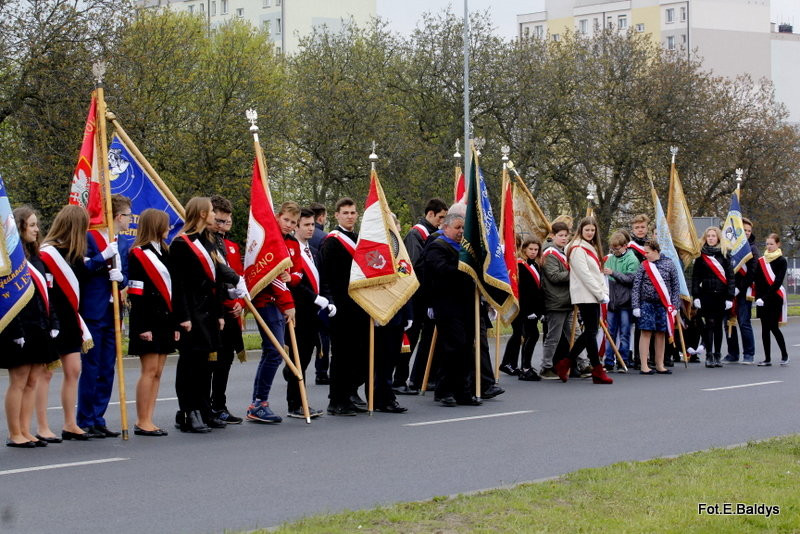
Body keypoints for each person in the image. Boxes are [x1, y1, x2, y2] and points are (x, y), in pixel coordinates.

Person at [171, 197, 241, 433]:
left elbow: (216, 279)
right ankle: (188, 412)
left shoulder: (207, 241)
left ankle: (203, 409)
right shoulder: (181, 244)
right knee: (189, 364)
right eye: (211, 212)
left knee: (205, 365)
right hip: (191, 313)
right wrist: (183, 317)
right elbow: (178, 285)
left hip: (209, 312)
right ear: (201, 214)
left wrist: (221, 312)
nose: (215, 216)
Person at [2, 207, 59, 447]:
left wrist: (53, 322)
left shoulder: (37, 257)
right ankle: (14, 433)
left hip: (38, 325)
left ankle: (26, 430)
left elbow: (47, 292)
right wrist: (15, 331)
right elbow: (6, 298)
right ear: (20, 226)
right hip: (19, 326)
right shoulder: (10, 260)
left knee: (33, 380)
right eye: (32, 225)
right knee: (19, 379)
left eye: (37, 225)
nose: (37, 230)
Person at [76, 194, 130, 439]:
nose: (130, 219)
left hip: (113, 311)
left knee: (108, 367)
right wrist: (102, 257)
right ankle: (85, 419)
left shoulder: (122, 241)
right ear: (118, 216)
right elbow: (81, 268)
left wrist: (122, 278)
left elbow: (124, 275)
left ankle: (98, 417)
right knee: (91, 366)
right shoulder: (90, 237)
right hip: (94, 310)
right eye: (128, 215)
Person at [39, 205, 94, 441]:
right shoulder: (46, 254)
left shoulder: (76, 255)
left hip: (71, 319)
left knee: (74, 370)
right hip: (51, 320)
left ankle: (70, 424)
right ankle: (42, 426)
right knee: (46, 374)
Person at [246, 202, 300, 424]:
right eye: (286, 220)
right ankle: (259, 402)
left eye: (293, 223)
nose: (289, 225)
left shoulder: (292, 243)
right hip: (266, 301)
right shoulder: (270, 239)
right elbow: (273, 275)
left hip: (279, 302)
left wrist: (292, 279)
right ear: (278, 217)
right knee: (276, 351)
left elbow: (297, 272)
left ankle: (257, 402)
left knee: (272, 352)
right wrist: (288, 303)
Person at [127, 209, 178, 436]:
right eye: (165, 225)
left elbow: (173, 291)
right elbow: (136, 294)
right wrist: (140, 327)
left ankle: (150, 416)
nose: (168, 229)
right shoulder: (138, 254)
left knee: (158, 371)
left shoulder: (165, 252)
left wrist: (176, 324)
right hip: (148, 320)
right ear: (156, 226)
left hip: (166, 319)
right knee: (148, 370)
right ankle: (142, 419)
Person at [422, 213, 480, 406]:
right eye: (457, 228)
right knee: (453, 347)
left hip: (466, 304)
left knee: (466, 347)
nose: (461, 231)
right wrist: (463, 267)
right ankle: (444, 390)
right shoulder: (437, 247)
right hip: (447, 304)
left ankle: (463, 391)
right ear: (445, 228)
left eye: (463, 228)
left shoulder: (465, 249)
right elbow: (441, 271)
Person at [320, 198, 369, 416]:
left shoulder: (358, 240)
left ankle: (350, 393)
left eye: (353, 212)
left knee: (357, 353)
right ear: (337, 215)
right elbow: (327, 276)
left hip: (358, 305)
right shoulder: (332, 242)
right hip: (340, 306)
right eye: (345, 212)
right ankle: (336, 400)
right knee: (341, 355)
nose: (350, 216)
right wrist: (331, 302)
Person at [395, 197, 448, 394]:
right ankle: (399, 379)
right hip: (416, 295)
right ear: (430, 214)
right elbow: (412, 267)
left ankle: (421, 377)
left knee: (428, 339)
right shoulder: (416, 234)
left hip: (430, 295)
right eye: (441, 217)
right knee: (410, 339)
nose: (442, 221)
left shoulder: (436, 234)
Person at [282, 206, 328, 418]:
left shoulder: (313, 251)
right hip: (298, 311)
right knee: (298, 358)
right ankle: (296, 404)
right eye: (306, 225)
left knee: (307, 357)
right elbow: (292, 283)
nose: (311, 229)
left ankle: (300, 399)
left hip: (313, 312)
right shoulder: (290, 250)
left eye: (312, 225)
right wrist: (313, 298)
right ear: (296, 227)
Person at [554, 216, 613, 384]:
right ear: (581, 230)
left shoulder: (589, 247)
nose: (590, 233)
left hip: (592, 294)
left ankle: (575, 365)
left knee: (591, 332)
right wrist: (600, 293)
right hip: (585, 294)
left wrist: (602, 291)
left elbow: (596, 273)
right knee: (591, 332)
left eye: (592, 230)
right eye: (587, 230)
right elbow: (584, 275)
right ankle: (589, 367)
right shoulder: (578, 248)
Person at [208, 195, 244, 425]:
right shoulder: (206, 245)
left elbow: (239, 278)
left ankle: (219, 404)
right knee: (211, 362)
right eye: (219, 221)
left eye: (227, 222)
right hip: (214, 311)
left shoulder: (231, 246)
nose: (222, 226)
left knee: (226, 362)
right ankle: (205, 406)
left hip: (233, 311)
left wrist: (241, 302)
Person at [631, 240, 681, 374]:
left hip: (663, 305)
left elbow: (676, 287)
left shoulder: (669, 264)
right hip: (646, 303)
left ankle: (660, 364)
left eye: (647, 252)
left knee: (660, 333)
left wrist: (675, 306)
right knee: (646, 332)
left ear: (655, 251)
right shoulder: (644, 265)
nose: (645, 255)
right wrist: (636, 306)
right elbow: (636, 286)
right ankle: (644, 365)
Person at [500, 238, 544, 381]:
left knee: (525, 335)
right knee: (529, 335)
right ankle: (524, 367)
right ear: (524, 249)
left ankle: (516, 364)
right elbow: (523, 291)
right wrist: (528, 311)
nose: (533, 252)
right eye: (530, 249)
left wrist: (540, 311)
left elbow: (536, 291)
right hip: (524, 309)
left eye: (536, 249)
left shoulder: (535, 265)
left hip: (532, 309)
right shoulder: (520, 265)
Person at [691, 227, 735, 368]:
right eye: (708, 236)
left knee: (718, 326)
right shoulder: (700, 255)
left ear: (718, 238)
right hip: (706, 294)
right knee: (709, 324)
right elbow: (696, 277)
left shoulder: (725, 254)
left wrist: (730, 297)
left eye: (713, 236)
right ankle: (709, 354)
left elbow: (730, 277)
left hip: (721, 295)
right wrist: (696, 295)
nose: (710, 238)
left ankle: (717, 354)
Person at [540, 221, 573, 380]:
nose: (564, 238)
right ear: (552, 236)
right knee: (553, 337)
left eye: (566, 236)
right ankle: (546, 367)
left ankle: (583, 363)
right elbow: (553, 276)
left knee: (575, 335)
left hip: (567, 301)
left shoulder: (563, 251)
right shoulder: (550, 253)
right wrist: (574, 274)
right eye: (560, 236)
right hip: (556, 301)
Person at [603, 231, 640, 370]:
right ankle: (608, 360)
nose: (615, 251)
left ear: (625, 246)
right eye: (613, 248)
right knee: (610, 333)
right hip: (613, 302)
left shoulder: (632, 259)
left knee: (625, 332)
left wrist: (613, 273)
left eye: (617, 248)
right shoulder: (611, 259)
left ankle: (623, 360)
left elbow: (631, 279)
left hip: (626, 302)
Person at [724, 218, 759, 364]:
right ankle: (732, 353)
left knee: (744, 322)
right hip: (729, 290)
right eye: (744, 230)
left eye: (749, 231)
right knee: (728, 322)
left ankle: (749, 354)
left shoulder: (752, 249)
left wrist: (740, 288)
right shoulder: (729, 247)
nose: (747, 233)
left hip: (744, 291)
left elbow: (752, 272)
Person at [754, 233, 789, 367]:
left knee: (773, 327)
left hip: (774, 297)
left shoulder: (781, 261)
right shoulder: (761, 261)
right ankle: (767, 358)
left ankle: (784, 354)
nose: (769, 246)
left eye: (772, 244)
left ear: (778, 244)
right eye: (767, 244)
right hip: (761, 299)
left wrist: (765, 297)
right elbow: (757, 280)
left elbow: (777, 281)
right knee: (764, 329)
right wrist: (758, 297)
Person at [308, 202, 331, 385]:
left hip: (309, 292)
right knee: (323, 335)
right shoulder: (324, 237)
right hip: (319, 291)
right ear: (321, 217)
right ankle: (321, 371)